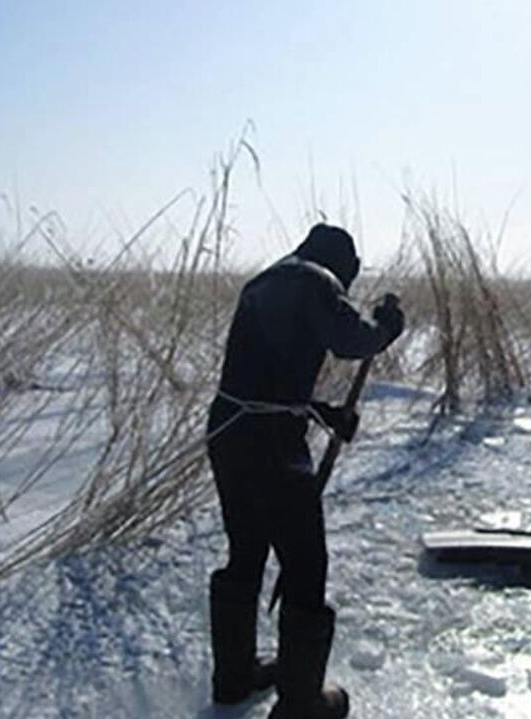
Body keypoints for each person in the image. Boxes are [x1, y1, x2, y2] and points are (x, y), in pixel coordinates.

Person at [207, 224, 404, 718]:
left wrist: (324, 412)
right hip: (271, 444)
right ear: (343, 265)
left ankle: (233, 678)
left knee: (246, 550)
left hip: (229, 430)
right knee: (305, 565)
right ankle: (301, 704)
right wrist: (386, 327)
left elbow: (264, 380)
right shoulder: (317, 281)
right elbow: (350, 340)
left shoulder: (263, 281)